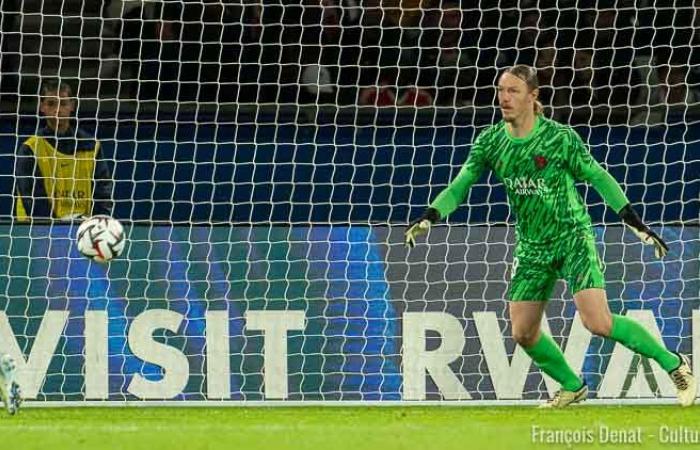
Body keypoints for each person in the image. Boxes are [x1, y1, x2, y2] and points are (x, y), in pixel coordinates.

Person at [405, 65, 696, 408]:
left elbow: (599, 177)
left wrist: (634, 221)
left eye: (513, 91)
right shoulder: (491, 141)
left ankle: (675, 365)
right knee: (523, 332)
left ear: (533, 95)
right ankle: (573, 385)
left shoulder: (559, 138)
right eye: (500, 90)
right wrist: (431, 215)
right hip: (531, 247)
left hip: (572, 237)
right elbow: (460, 185)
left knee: (598, 322)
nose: (504, 98)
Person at [14, 79, 113, 221]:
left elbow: (102, 193)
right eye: (51, 104)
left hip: (82, 230)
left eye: (63, 103)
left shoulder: (91, 145)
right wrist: (58, 228)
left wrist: (98, 224)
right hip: (36, 231)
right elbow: (32, 199)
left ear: (72, 105)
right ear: (41, 107)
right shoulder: (30, 148)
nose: (58, 110)